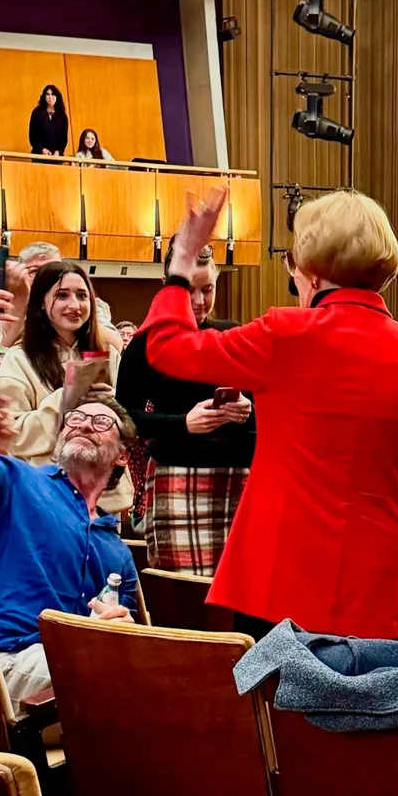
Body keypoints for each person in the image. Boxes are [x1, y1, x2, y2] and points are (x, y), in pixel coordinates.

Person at [138, 188, 398, 639]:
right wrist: (373, 504)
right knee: (355, 703)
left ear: (310, 267)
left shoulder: (283, 335)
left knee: (272, 703)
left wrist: (182, 263)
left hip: (277, 570)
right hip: (369, 572)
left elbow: (167, 348)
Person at [0, 282, 137, 711]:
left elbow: (122, 627)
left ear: (120, 459)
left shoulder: (117, 550)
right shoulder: (16, 482)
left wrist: (122, 623)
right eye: (73, 420)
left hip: (73, 669)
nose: (80, 424)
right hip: (8, 662)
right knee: (121, 678)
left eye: (99, 423)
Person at [117, 244, 255, 575]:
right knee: (185, 600)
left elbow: (267, 414)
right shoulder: (146, 343)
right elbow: (123, 417)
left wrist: (249, 410)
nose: (199, 301)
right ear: (169, 287)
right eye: (189, 290)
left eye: (207, 289)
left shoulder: (231, 333)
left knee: (240, 596)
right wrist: (184, 423)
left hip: (240, 480)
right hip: (175, 477)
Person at [0, 261, 131, 512]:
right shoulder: (19, 359)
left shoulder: (109, 354)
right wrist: (64, 399)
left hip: (103, 497)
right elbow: (12, 434)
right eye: (62, 296)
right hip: (45, 496)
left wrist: (113, 404)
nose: (74, 305)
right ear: (41, 303)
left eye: (82, 296)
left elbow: (130, 426)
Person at [29, 85, 69, 157]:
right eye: (48, 94)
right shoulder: (36, 113)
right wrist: (41, 149)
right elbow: (32, 136)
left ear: (57, 96)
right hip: (39, 155)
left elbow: (64, 139)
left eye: (53, 94)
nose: (50, 97)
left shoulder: (62, 116)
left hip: (56, 157)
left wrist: (58, 151)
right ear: (44, 96)